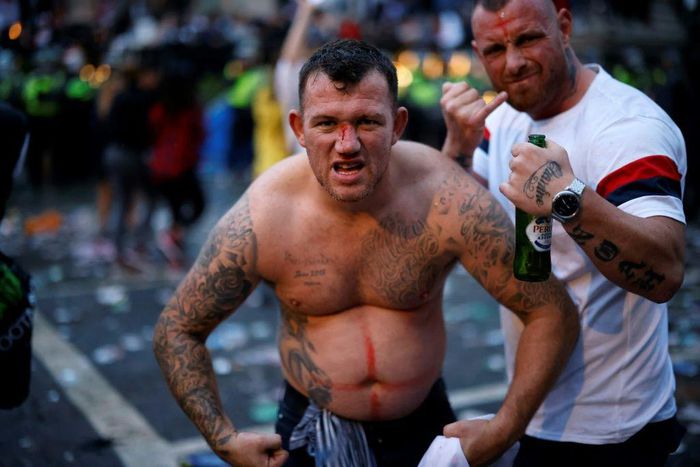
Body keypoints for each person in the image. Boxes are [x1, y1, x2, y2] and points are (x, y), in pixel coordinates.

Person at [153, 39, 579, 467]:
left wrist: (504, 429)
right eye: (326, 124)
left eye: (366, 122)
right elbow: (177, 330)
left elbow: (550, 312)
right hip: (311, 429)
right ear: (299, 129)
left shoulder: (445, 198)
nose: (347, 143)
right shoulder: (265, 215)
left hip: (425, 426)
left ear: (398, 125)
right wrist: (223, 439)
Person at [439, 1, 687, 465]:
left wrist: (568, 197)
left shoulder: (627, 128)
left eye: (528, 39)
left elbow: (667, 272)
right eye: (495, 48)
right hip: (530, 413)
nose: (512, 62)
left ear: (564, 27)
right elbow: (458, 222)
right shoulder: (501, 119)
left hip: (614, 431)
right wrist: (455, 149)